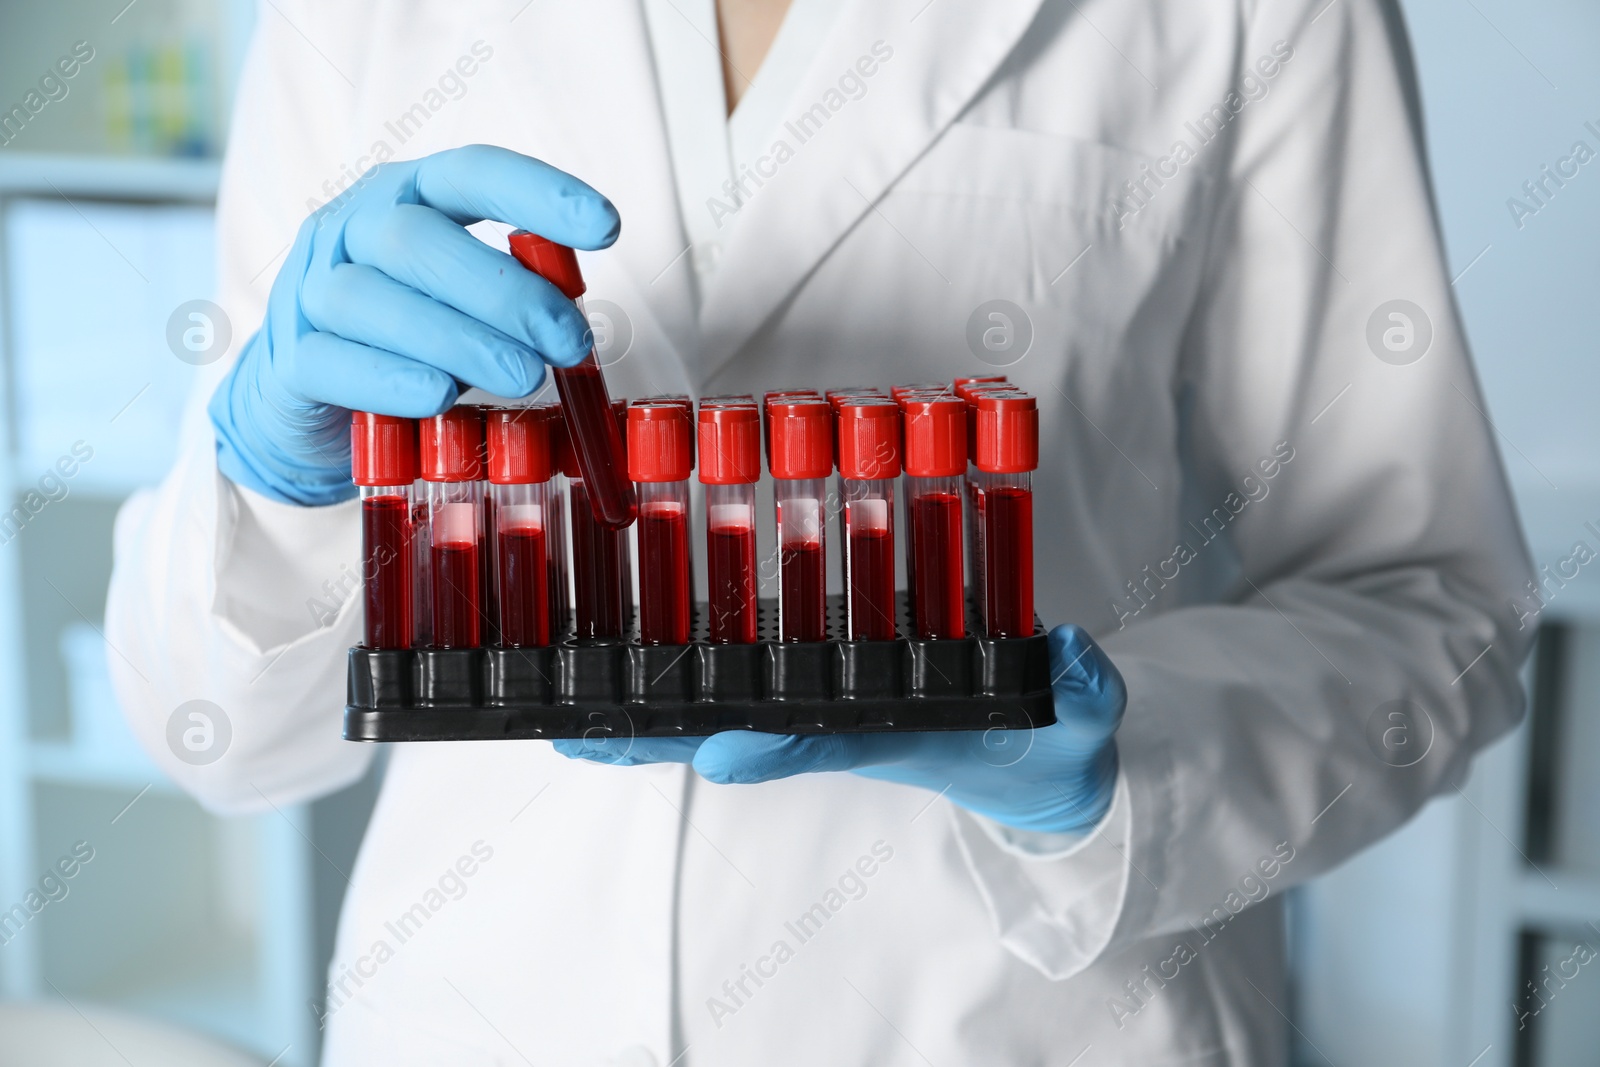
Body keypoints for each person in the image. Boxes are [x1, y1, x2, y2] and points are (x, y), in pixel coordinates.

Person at [106, 0, 1534, 1062]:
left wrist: (1121, 764)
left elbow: (1431, 605)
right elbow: (211, 736)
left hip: (1015, 1021)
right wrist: (271, 489)